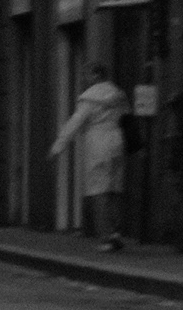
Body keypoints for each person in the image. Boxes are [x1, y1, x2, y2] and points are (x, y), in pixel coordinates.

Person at [48, 74, 127, 249]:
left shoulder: (90, 98)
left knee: (98, 190)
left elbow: (74, 123)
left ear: (95, 75)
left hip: (98, 143)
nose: (85, 79)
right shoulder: (119, 95)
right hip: (117, 141)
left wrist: (57, 147)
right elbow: (126, 118)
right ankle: (116, 231)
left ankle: (105, 238)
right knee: (113, 190)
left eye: (88, 74)